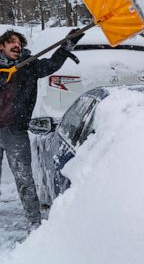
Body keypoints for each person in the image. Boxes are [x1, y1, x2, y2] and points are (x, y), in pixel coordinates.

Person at [0, 29, 83, 231]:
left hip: (15, 131)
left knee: (24, 178)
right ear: (1, 46)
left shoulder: (28, 66)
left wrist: (66, 47)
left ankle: (34, 222)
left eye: (19, 42)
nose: (16, 45)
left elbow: (52, 64)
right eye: (11, 41)